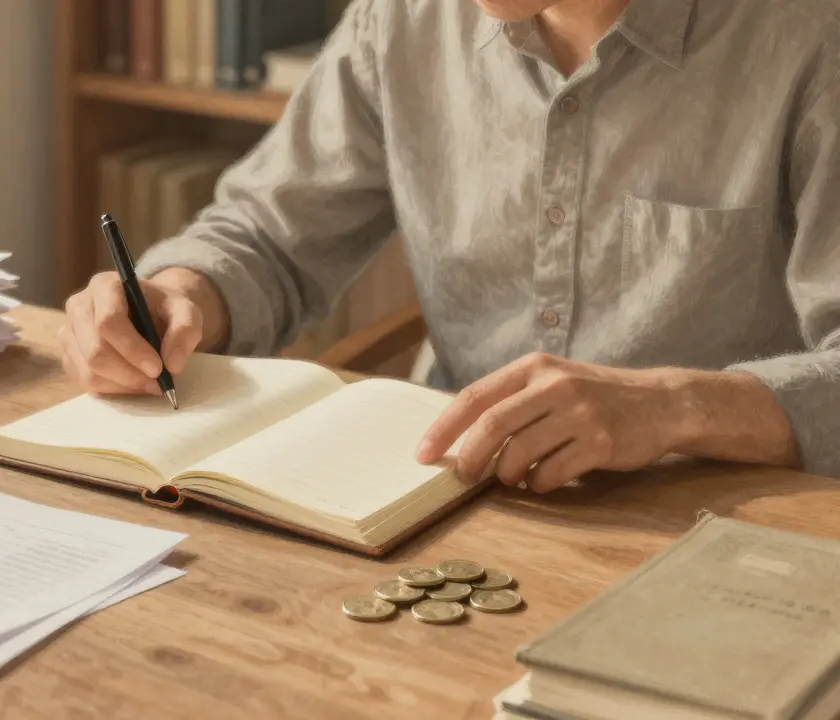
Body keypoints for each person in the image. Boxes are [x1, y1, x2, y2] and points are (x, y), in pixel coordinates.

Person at [58, 0, 840, 491]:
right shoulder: (402, 19)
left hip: (721, 514)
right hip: (452, 491)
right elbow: (266, 234)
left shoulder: (811, 38)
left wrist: (673, 408)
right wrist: (178, 295)